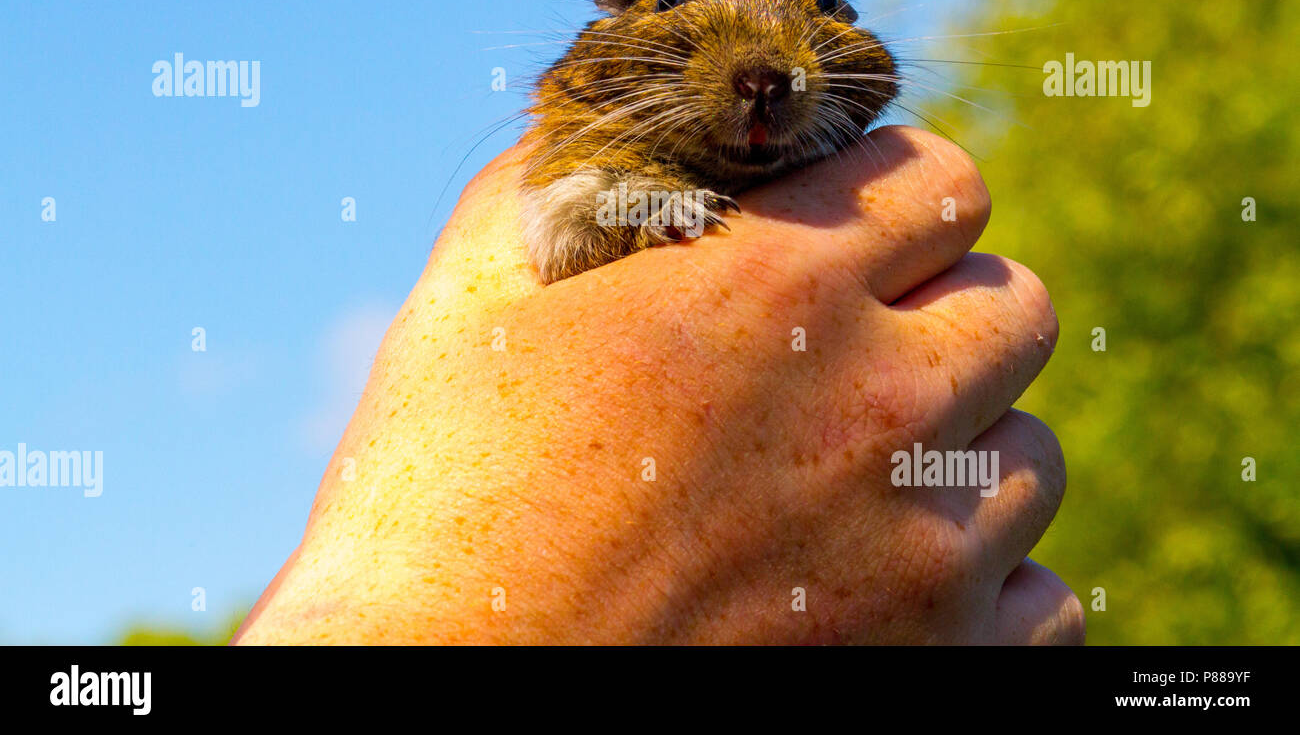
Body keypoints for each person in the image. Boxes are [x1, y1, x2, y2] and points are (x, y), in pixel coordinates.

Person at [233, 127, 1084, 644]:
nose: (764, 69)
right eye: (677, 3)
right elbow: (565, 228)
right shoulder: (578, 158)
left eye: (820, 7)